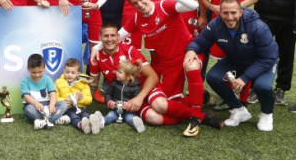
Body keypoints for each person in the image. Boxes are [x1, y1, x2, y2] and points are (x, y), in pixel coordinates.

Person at [92, 22, 222, 137]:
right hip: (127, 97)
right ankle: (192, 104)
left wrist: (140, 97)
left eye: (113, 35)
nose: (109, 39)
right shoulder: (96, 56)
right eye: (106, 36)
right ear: (100, 38)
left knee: (159, 105)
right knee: (152, 118)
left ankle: (201, 117)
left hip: (147, 87)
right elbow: (93, 84)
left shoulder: (130, 51)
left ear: (118, 37)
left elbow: (152, 76)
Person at [186, 0, 279, 131]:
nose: (230, 17)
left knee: (262, 86)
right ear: (219, 12)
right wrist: (191, 50)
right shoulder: (215, 24)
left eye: (233, 13)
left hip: (262, 61)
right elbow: (200, 42)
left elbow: (269, 57)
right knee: (214, 77)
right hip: (236, 59)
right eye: (225, 13)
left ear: (241, 12)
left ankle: (266, 114)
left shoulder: (258, 27)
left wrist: (244, 78)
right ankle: (239, 109)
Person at [53, 58, 101, 134]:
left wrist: (81, 98)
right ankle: (81, 125)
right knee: (73, 117)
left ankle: (92, 124)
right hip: (68, 109)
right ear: (63, 71)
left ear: (78, 73)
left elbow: (89, 99)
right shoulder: (58, 82)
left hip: (81, 107)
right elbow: (54, 98)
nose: (69, 75)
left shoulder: (83, 83)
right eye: (67, 72)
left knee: (85, 115)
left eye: (73, 73)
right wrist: (66, 100)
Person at [21, 54, 68, 130]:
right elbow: (26, 97)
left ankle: (44, 121)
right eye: (34, 72)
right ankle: (55, 119)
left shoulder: (48, 79)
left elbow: (53, 94)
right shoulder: (25, 81)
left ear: (44, 68)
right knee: (28, 109)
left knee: (64, 104)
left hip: (49, 107)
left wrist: (52, 105)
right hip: (35, 108)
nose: (37, 75)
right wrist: (36, 103)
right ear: (28, 69)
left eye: (40, 72)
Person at [103, 60, 145, 133]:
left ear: (128, 77)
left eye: (120, 72)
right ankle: (100, 122)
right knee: (110, 116)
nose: (116, 73)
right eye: (117, 71)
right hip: (115, 109)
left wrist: (129, 105)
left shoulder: (135, 87)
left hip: (128, 111)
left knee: (130, 118)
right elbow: (108, 94)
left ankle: (138, 124)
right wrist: (110, 102)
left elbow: (137, 101)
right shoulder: (115, 82)